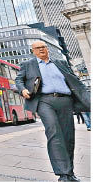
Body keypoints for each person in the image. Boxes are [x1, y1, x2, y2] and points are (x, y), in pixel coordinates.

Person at [15, 40, 89, 182]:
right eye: (38, 48)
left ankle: (69, 173)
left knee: (68, 136)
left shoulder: (60, 62)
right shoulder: (28, 65)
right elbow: (19, 80)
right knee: (54, 132)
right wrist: (23, 89)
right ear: (33, 51)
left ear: (48, 49)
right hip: (44, 101)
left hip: (65, 100)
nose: (41, 49)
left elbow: (73, 79)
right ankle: (63, 174)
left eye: (43, 47)